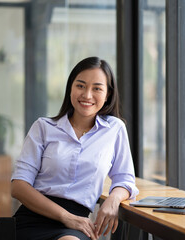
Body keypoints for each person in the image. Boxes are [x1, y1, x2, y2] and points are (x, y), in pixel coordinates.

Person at [11, 56, 139, 240]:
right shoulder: (43, 127)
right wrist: (67, 217)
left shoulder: (115, 129)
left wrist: (113, 200)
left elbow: (125, 179)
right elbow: (18, 186)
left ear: (108, 94)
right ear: (70, 87)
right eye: (80, 86)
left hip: (76, 225)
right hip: (32, 218)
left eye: (97, 88)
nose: (87, 95)